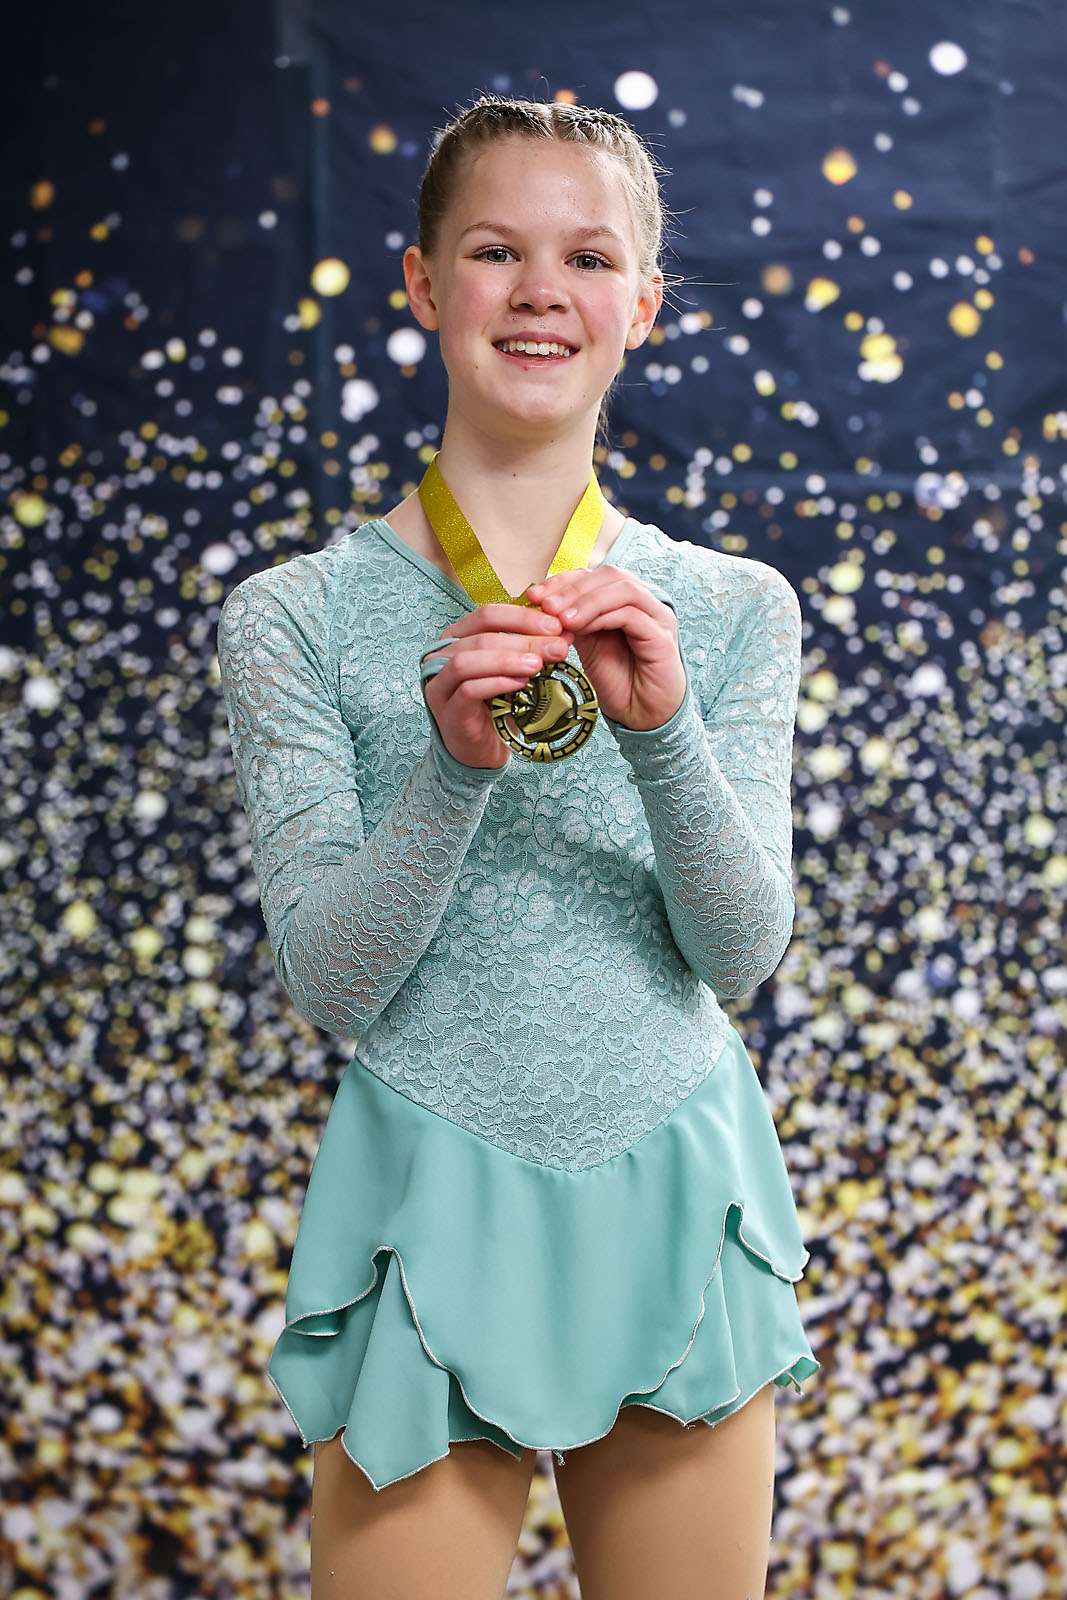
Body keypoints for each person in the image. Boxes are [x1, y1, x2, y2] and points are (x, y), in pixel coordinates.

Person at [216, 94, 819, 1600]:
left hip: (680, 1192)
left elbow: (740, 956)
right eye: (495, 250)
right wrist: (451, 769)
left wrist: (665, 731)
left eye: (588, 257)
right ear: (423, 285)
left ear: (643, 308)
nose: (542, 289)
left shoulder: (735, 609)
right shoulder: (290, 615)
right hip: (424, 1206)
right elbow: (335, 986)